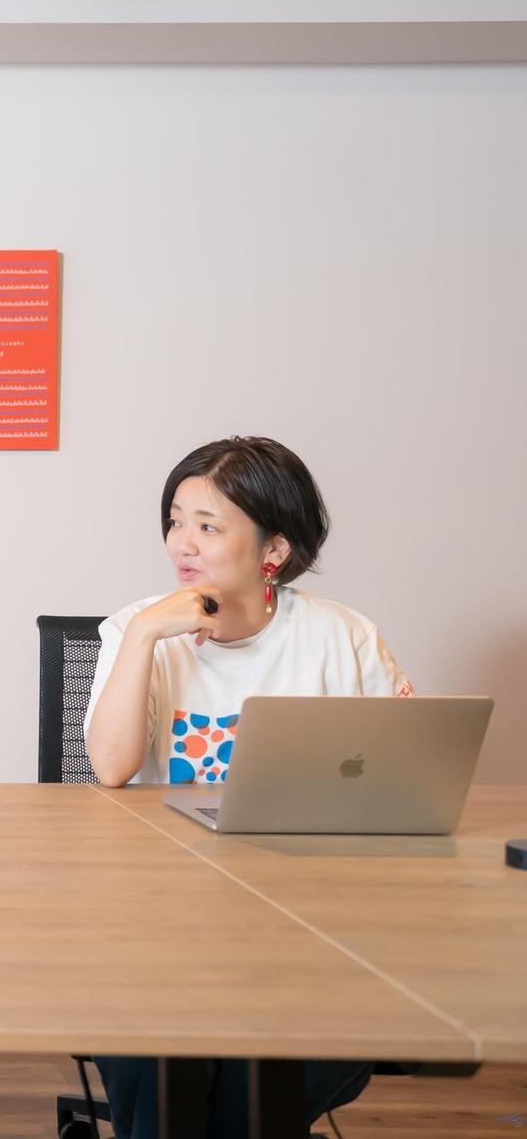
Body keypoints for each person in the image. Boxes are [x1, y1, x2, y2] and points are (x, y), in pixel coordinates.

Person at [82, 435, 409, 1136]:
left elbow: (404, 779)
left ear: (274, 550)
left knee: (283, 1063)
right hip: (159, 923)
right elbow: (110, 768)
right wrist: (143, 636)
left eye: (208, 526)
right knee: (156, 1061)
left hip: (306, 922)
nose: (182, 543)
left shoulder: (341, 638)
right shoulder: (137, 629)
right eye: (175, 521)